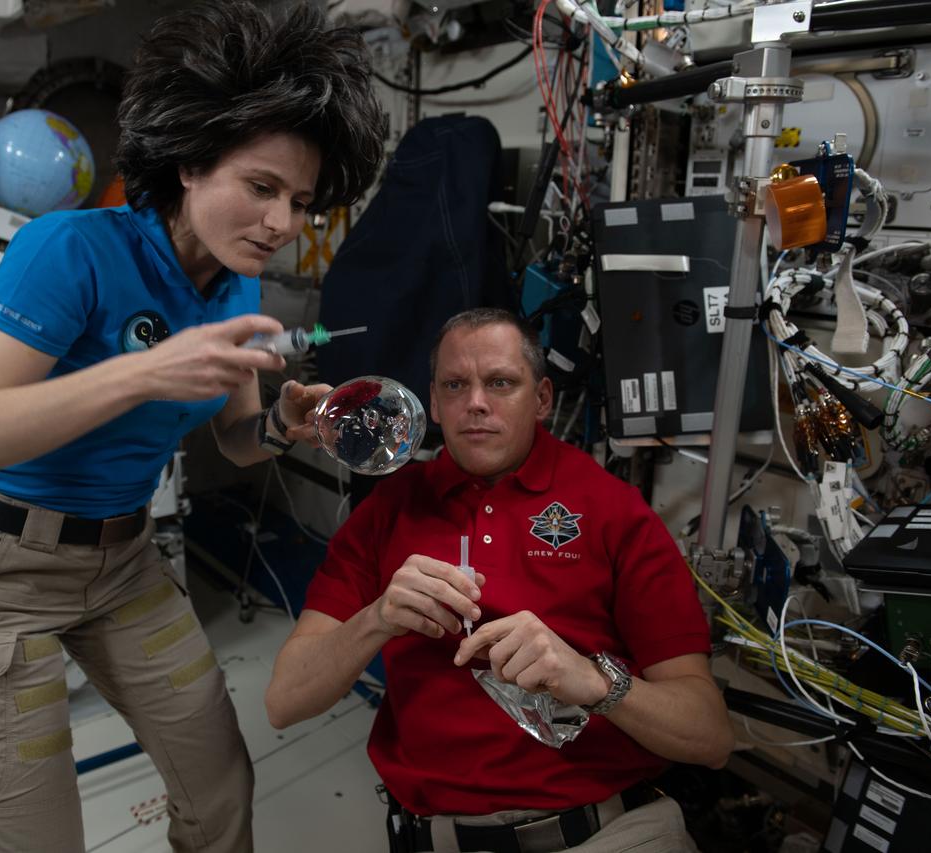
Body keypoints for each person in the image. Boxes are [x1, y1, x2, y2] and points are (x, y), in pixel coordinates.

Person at [0, 3, 387, 851]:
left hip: (124, 565)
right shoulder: (73, 249)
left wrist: (281, 421)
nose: (283, 224)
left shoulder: (237, 285)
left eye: (303, 201)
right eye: (262, 187)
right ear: (192, 164)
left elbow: (236, 439)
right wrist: (144, 372)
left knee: (221, 784)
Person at [265, 308, 734, 853]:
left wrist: (594, 682)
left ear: (542, 400)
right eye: (455, 385)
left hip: (603, 831)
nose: (476, 403)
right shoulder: (388, 511)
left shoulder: (613, 512)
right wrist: (375, 620)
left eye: (501, 383)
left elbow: (711, 737)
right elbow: (284, 701)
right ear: (433, 403)